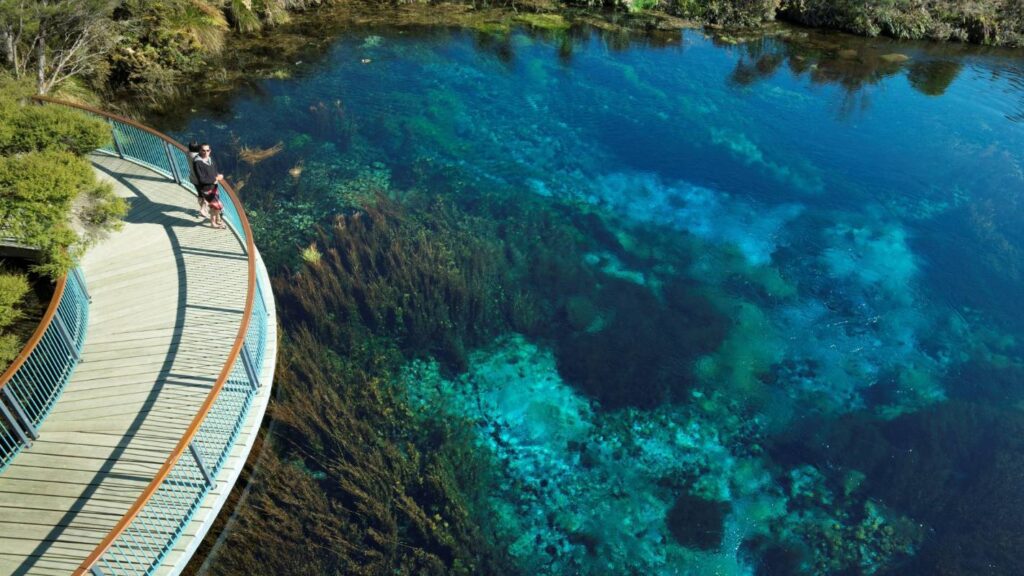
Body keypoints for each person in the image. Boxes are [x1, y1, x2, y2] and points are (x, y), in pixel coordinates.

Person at [193, 143, 227, 229]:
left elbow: (214, 171)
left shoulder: (210, 159)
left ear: (210, 151)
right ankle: (215, 222)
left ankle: (215, 221)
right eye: (203, 150)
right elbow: (201, 180)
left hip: (214, 187)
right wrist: (216, 179)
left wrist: (218, 176)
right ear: (200, 151)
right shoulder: (198, 163)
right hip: (207, 189)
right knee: (218, 206)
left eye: (207, 150)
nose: (205, 152)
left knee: (214, 206)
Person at [187, 140, 209, 219]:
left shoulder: (188, 154)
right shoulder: (198, 158)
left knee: (200, 194)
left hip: (193, 178)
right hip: (200, 180)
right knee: (205, 195)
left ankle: (203, 209)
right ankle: (203, 210)